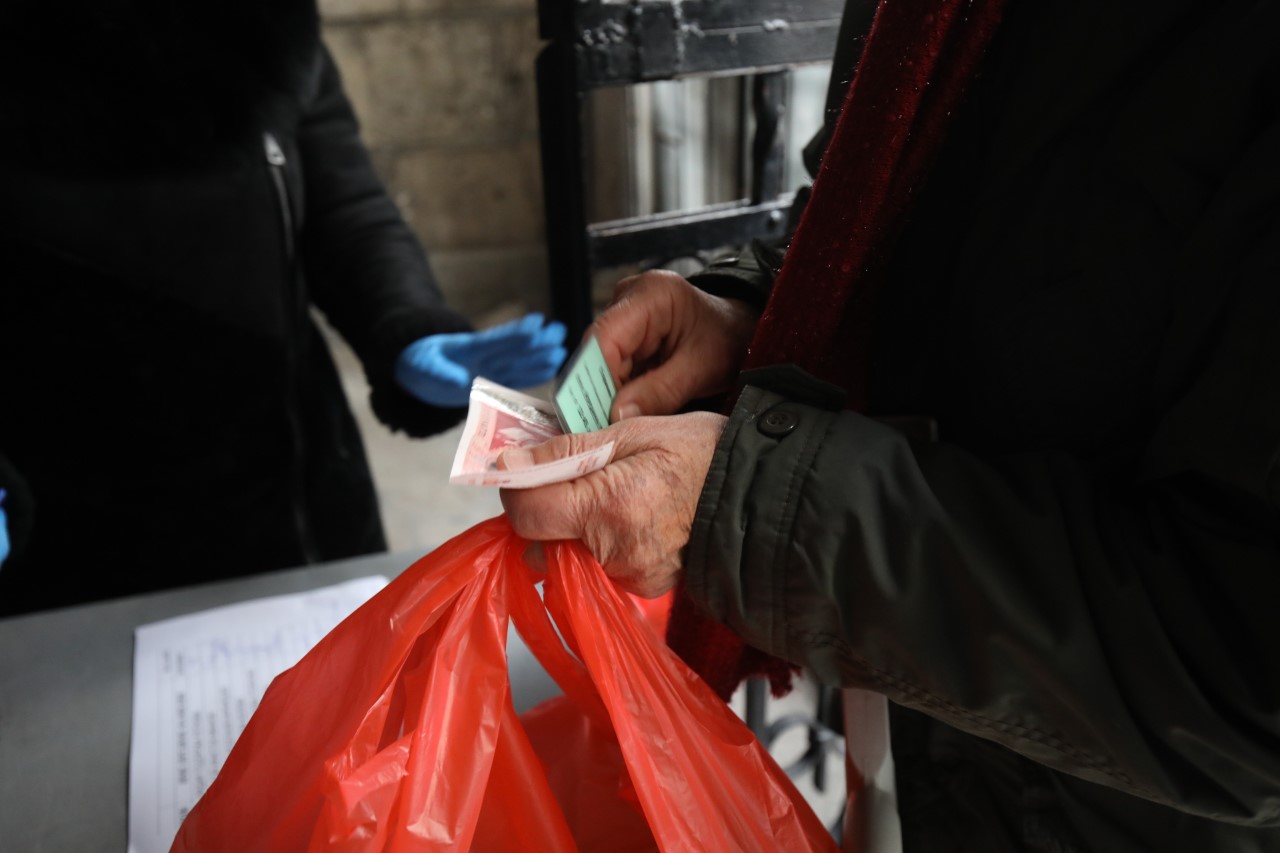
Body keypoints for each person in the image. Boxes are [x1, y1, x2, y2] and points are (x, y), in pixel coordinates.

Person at [500, 0, 1280, 850]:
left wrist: (746, 506)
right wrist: (750, 318)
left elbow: (1242, 676)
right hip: (951, 756)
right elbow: (899, 216)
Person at [0, 1, 564, 615]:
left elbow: (346, 208)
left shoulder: (259, 23)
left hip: (294, 484)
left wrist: (405, 322)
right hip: (66, 522)